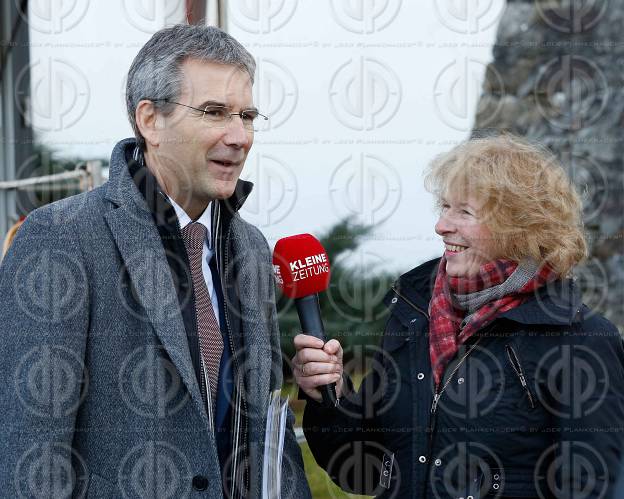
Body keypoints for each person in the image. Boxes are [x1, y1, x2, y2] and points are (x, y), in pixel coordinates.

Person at [0, 25, 310, 499]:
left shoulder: (249, 248)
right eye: (214, 112)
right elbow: (29, 452)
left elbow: (262, 437)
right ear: (150, 120)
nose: (239, 136)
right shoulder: (60, 237)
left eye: (247, 115)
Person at [293, 135, 624, 498]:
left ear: (519, 226)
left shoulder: (579, 339)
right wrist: (333, 397)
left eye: (464, 212)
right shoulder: (413, 318)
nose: (441, 225)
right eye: (444, 206)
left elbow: (597, 487)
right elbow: (362, 472)